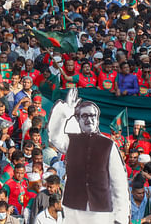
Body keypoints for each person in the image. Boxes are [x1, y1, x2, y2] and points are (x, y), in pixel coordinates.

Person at [47, 88, 128, 224]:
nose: (89, 120)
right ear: (77, 118)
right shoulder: (70, 140)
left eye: (92, 116)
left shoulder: (109, 145)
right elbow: (54, 137)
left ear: (97, 119)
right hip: (73, 210)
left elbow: (119, 183)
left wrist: (121, 218)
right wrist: (66, 111)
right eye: (84, 116)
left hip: (101, 211)